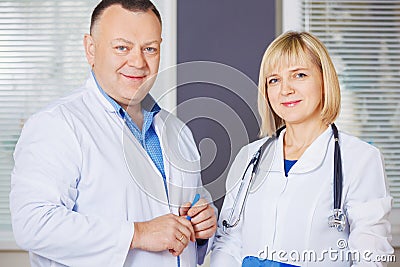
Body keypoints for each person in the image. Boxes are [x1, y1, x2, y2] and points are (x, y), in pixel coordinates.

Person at [9, 0, 216, 266]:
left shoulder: (177, 131)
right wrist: (137, 234)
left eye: (149, 49)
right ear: (90, 49)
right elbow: (33, 224)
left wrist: (204, 224)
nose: (138, 61)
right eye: (122, 47)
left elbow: (193, 202)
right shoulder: (57, 125)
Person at [210, 31, 393, 266]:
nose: (285, 89)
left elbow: (371, 254)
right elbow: (229, 241)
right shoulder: (250, 157)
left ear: (324, 81)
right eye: (274, 80)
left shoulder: (360, 159)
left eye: (299, 75)